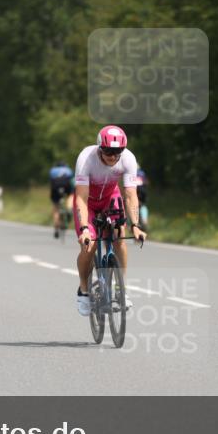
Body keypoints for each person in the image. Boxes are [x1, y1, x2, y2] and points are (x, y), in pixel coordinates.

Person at [74, 125, 147, 316]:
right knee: (89, 246)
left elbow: (130, 195)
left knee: (119, 235)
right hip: (88, 203)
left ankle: (120, 288)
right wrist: (84, 229)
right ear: (100, 147)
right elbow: (80, 197)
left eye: (117, 152)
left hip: (109, 198)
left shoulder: (129, 159)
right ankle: (83, 290)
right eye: (108, 151)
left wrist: (136, 226)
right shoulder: (85, 159)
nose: (113, 157)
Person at [49, 160, 75, 238]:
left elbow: (51, 181)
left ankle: (56, 227)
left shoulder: (53, 170)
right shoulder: (68, 170)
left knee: (56, 208)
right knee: (71, 195)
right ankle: (69, 208)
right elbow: (73, 180)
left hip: (55, 188)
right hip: (66, 185)